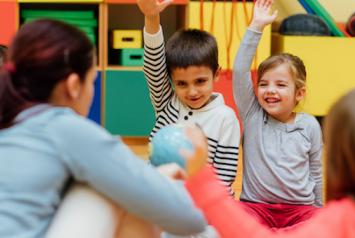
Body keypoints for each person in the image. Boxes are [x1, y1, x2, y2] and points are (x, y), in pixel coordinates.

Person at [0, 19, 207, 237]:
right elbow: (190, 221)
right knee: (111, 192)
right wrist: (171, 179)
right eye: (92, 81)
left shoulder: (11, 120)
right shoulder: (68, 130)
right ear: (73, 86)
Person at [185, 86, 355, 238]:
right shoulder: (256, 117)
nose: (272, 91)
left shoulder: (344, 219)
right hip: (262, 210)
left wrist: (202, 179)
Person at [232, 0, 323, 228]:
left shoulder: (309, 125)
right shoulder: (253, 115)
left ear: (299, 93)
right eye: (263, 84)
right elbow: (241, 70)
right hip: (255, 207)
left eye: (281, 85)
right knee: (233, 221)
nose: (270, 90)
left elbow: (316, 170)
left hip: (300, 210)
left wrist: (319, 209)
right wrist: (256, 27)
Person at [137, 0, 241, 196]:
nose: (192, 92)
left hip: (200, 200)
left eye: (200, 81)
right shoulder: (168, 102)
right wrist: (151, 18)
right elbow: (153, 67)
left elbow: (224, 177)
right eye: (182, 84)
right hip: (158, 193)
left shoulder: (225, 118)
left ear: (216, 74)